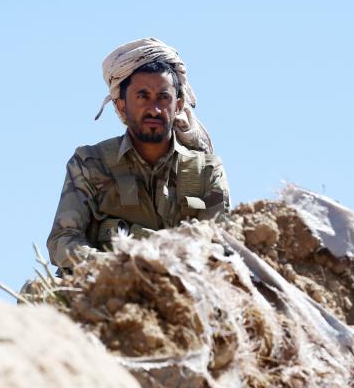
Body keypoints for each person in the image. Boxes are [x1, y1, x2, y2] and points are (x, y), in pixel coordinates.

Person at [46, 38, 230, 270]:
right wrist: (121, 267)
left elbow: (220, 243)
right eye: (142, 96)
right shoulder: (91, 164)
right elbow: (62, 241)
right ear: (121, 105)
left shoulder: (206, 170)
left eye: (163, 98)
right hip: (106, 291)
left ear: (179, 105)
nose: (154, 109)